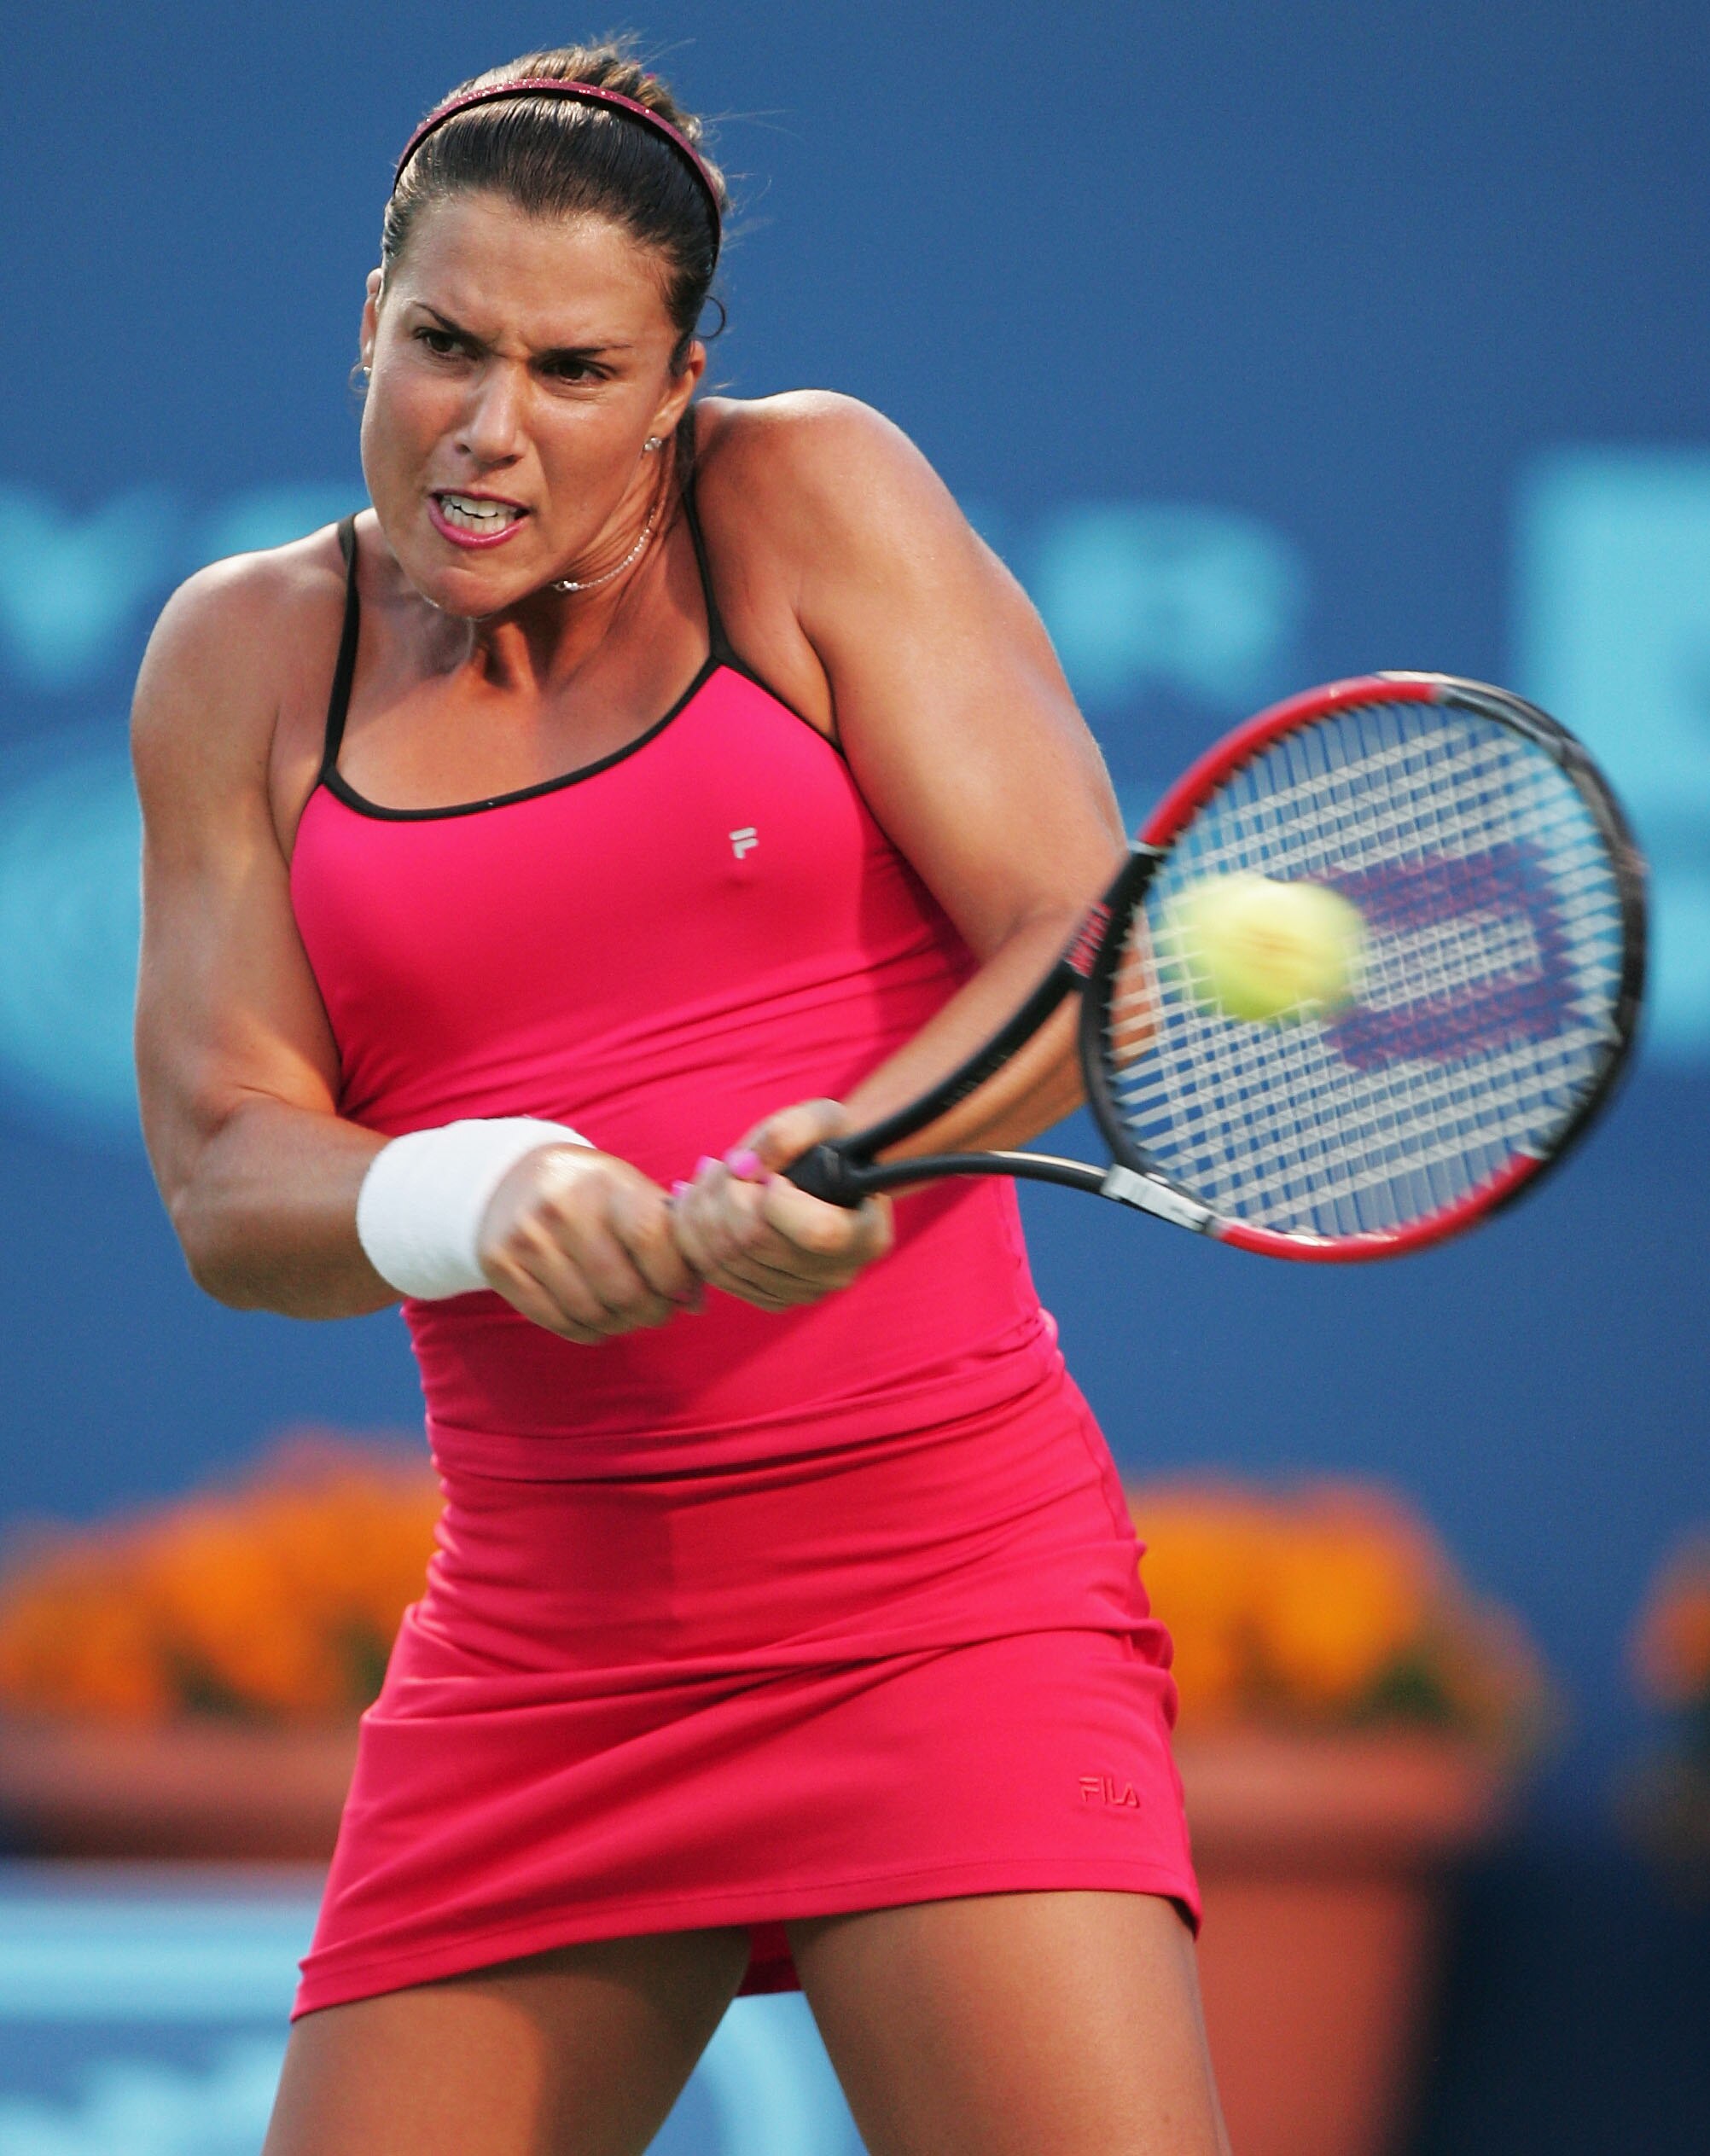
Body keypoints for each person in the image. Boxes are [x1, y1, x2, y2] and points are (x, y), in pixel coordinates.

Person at [132, 42, 1230, 2156]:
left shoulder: (806, 493)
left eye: (573, 370)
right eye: (445, 345)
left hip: (946, 1612)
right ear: (369, 320)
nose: (488, 427)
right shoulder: (241, 657)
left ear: (676, 386)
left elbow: (1087, 936)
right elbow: (225, 1173)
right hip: (542, 1661)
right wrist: (474, 1192)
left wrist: (860, 1154)